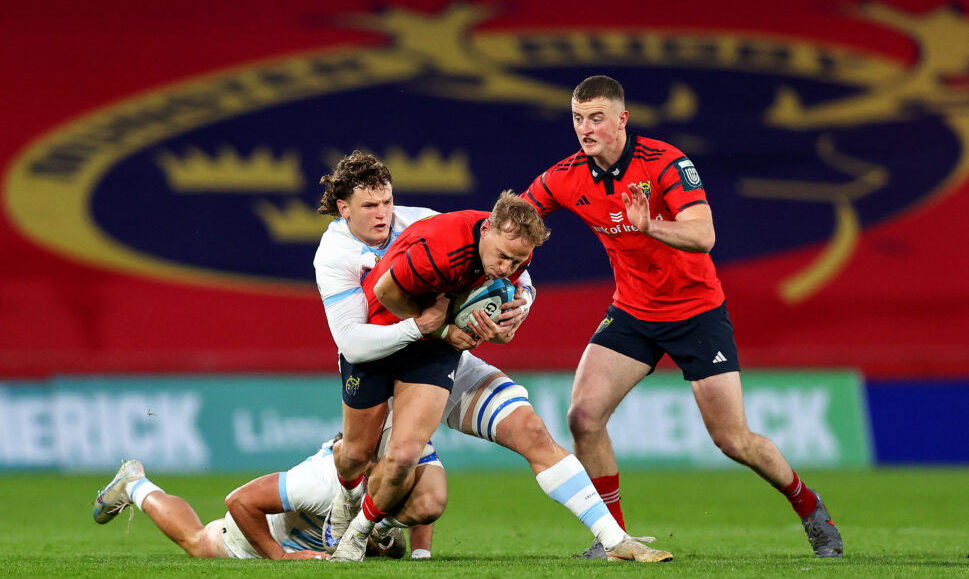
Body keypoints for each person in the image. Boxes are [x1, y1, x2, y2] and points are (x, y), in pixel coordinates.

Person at [522, 75, 844, 559]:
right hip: (632, 312)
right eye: (577, 118)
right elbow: (513, 221)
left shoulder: (667, 163)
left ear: (622, 119)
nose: (585, 129)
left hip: (697, 313)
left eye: (596, 118)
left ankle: (810, 506)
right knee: (583, 417)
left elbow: (704, 235)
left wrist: (649, 224)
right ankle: (615, 538)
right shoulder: (564, 176)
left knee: (733, 440)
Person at [314, 150, 672, 563]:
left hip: (435, 353)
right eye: (369, 206)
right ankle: (345, 503)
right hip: (379, 351)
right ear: (344, 209)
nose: (382, 213)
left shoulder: (426, 221)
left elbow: (513, 270)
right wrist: (435, 327)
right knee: (358, 456)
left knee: (521, 435)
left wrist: (519, 307)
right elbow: (354, 343)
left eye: (387, 202)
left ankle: (614, 539)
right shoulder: (335, 254)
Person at [91, 433, 443, 560]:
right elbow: (239, 500)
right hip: (262, 535)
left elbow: (418, 499)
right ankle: (134, 484)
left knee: (393, 550)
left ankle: (374, 535)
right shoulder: (320, 483)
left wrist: (422, 556)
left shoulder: (391, 464)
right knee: (199, 543)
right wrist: (279, 557)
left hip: (325, 537)